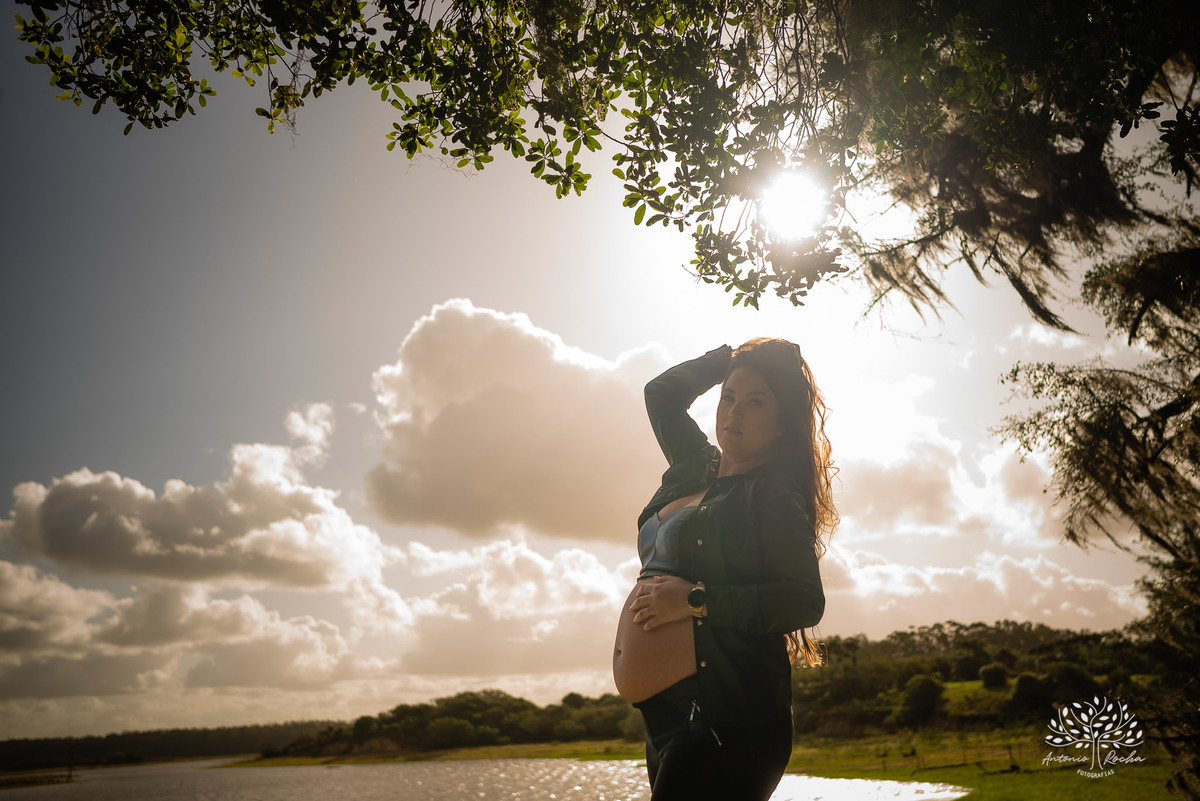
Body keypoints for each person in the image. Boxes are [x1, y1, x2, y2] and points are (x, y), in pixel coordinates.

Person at [612, 339, 836, 800]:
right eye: (728, 397)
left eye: (756, 402)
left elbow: (803, 599)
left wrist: (695, 601)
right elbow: (662, 393)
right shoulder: (694, 466)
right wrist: (726, 360)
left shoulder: (772, 495)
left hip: (726, 721)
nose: (734, 413)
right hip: (666, 721)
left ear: (780, 426)